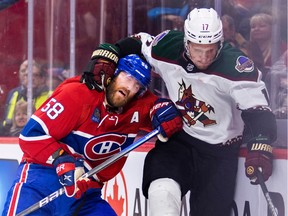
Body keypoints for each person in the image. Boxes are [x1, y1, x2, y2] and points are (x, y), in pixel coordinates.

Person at [81, 8, 277, 216]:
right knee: (162, 192)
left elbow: (259, 112)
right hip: (180, 138)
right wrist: (109, 54)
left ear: (220, 44)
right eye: (197, 49)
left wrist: (261, 143)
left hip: (220, 152)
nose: (203, 57)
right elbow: (138, 43)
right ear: (186, 42)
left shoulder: (236, 67)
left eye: (209, 50)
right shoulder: (167, 47)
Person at [2, 54, 183, 216]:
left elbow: (158, 108)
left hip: (85, 196)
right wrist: (60, 158)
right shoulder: (78, 93)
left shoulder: (135, 107)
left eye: (137, 85)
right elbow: (30, 135)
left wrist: (164, 110)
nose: (130, 87)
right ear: (112, 75)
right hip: (40, 184)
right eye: (127, 77)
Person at [1, 59, 53, 135]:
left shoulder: (52, 95)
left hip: (42, 136)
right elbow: (7, 122)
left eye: (35, 75)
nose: (31, 78)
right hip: (15, 136)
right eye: (27, 75)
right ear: (23, 78)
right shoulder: (14, 94)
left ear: (42, 79)